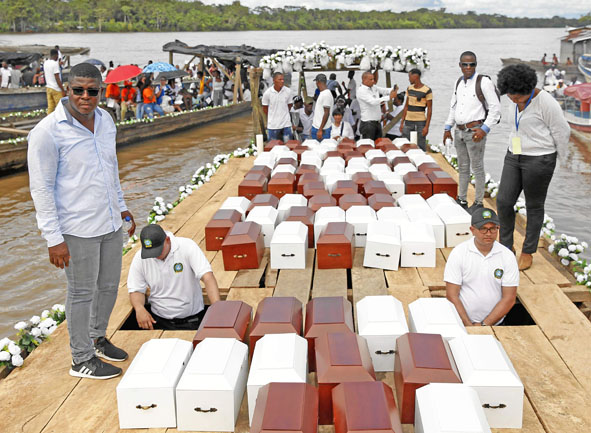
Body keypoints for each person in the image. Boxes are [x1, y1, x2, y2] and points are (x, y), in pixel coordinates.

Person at [27, 62, 136, 380]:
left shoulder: (105, 120)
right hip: (76, 228)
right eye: (78, 90)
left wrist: (122, 206)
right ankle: (81, 358)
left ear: (101, 91)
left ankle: (97, 338)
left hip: (109, 222)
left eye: (93, 90)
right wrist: (53, 238)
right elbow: (41, 188)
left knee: (108, 287)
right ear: (67, 89)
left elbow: (110, 168)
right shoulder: (47, 132)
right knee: (80, 292)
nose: (85, 96)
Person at [495, 63, 570, 271]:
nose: (513, 100)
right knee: (503, 201)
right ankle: (505, 247)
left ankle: (528, 252)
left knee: (534, 206)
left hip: (539, 159)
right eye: (510, 96)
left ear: (528, 89)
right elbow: (515, 125)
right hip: (514, 155)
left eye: (517, 97)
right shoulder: (513, 96)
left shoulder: (546, 103)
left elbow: (562, 132)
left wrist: (559, 161)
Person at [127, 225, 221, 330]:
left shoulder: (187, 246)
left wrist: (216, 309)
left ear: (167, 240)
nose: (155, 256)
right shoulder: (139, 258)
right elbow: (136, 290)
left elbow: (207, 277)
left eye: (158, 251)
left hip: (192, 321)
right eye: (151, 253)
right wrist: (139, 308)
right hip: (158, 321)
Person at [443, 51, 501, 211]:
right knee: (462, 167)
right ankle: (462, 199)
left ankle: (478, 202)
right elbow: (453, 106)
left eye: (472, 64)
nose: (468, 67)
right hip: (459, 131)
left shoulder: (483, 82)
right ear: (460, 65)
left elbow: (495, 108)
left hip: (475, 131)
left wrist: (484, 129)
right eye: (465, 64)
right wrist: (447, 127)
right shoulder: (458, 83)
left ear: (476, 64)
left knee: (477, 168)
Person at [444, 208, 519, 326]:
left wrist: (484, 325)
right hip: (462, 323)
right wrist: (468, 324)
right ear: (472, 230)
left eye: (493, 228)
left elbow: (509, 298)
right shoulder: (459, 253)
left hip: (496, 325)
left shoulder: (507, 256)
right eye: (483, 229)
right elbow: (452, 295)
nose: (489, 233)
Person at [357, 71, 398, 141]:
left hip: (377, 122)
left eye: (373, 79)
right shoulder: (361, 91)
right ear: (364, 80)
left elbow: (384, 90)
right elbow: (373, 102)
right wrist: (389, 97)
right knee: (368, 147)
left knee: (378, 145)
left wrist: (393, 89)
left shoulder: (373, 87)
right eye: (371, 79)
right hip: (368, 124)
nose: (373, 81)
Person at [400, 68, 432, 151]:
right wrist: (402, 122)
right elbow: (406, 106)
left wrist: (426, 127)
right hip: (408, 121)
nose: (409, 79)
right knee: (405, 144)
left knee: (421, 145)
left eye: (410, 77)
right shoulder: (409, 88)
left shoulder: (427, 90)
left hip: (420, 122)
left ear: (415, 77)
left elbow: (429, 110)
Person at [261, 72, 293, 142]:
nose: (282, 81)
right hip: (273, 125)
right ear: (274, 80)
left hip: (286, 124)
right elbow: (265, 109)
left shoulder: (288, 91)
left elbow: (289, 106)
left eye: (283, 79)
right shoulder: (267, 93)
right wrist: (273, 116)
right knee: (273, 147)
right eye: (280, 79)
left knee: (288, 146)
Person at [311, 73, 334, 141]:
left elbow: (326, 113)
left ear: (318, 82)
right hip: (317, 127)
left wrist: (320, 129)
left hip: (322, 129)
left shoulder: (326, 94)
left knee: (322, 149)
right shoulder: (323, 93)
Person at [43, 49, 66, 114]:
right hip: (56, 89)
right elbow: (57, 78)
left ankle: (48, 121)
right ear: (56, 55)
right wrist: (62, 90)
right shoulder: (55, 64)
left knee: (50, 107)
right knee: (60, 107)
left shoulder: (46, 63)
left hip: (48, 88)